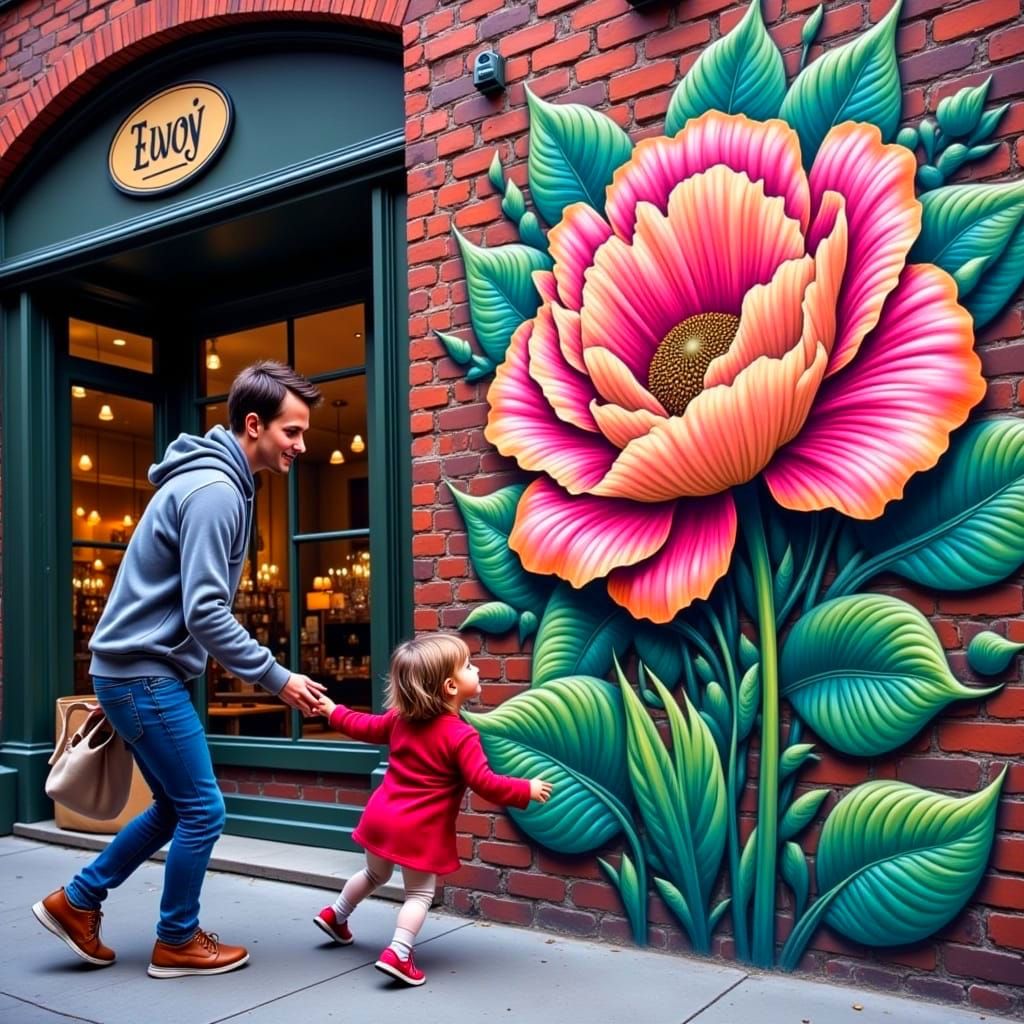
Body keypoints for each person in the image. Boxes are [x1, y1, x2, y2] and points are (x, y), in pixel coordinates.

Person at [33, 361, 327, 979]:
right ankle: (177, 940)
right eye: (292, 432)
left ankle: (77, 900)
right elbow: (205, 613)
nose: (301, 445)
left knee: (175, 806)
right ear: (254, 424)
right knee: (204, 810)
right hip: (143, 675)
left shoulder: (218, 484)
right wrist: (279, 677)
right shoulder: (216, 493)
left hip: (136, 672)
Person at [312, 633, 553, 987]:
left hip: (381, 816)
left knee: (374, 874)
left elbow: (363, 726)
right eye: (469, 665)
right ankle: (399, 952)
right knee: (420, 894)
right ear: (451, 685)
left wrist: (334, 711)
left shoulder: (399, 720)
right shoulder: (461, 736)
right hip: (418, 829)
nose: (477, 668)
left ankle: (336, 916)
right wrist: (525, 789)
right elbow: (484, 782)